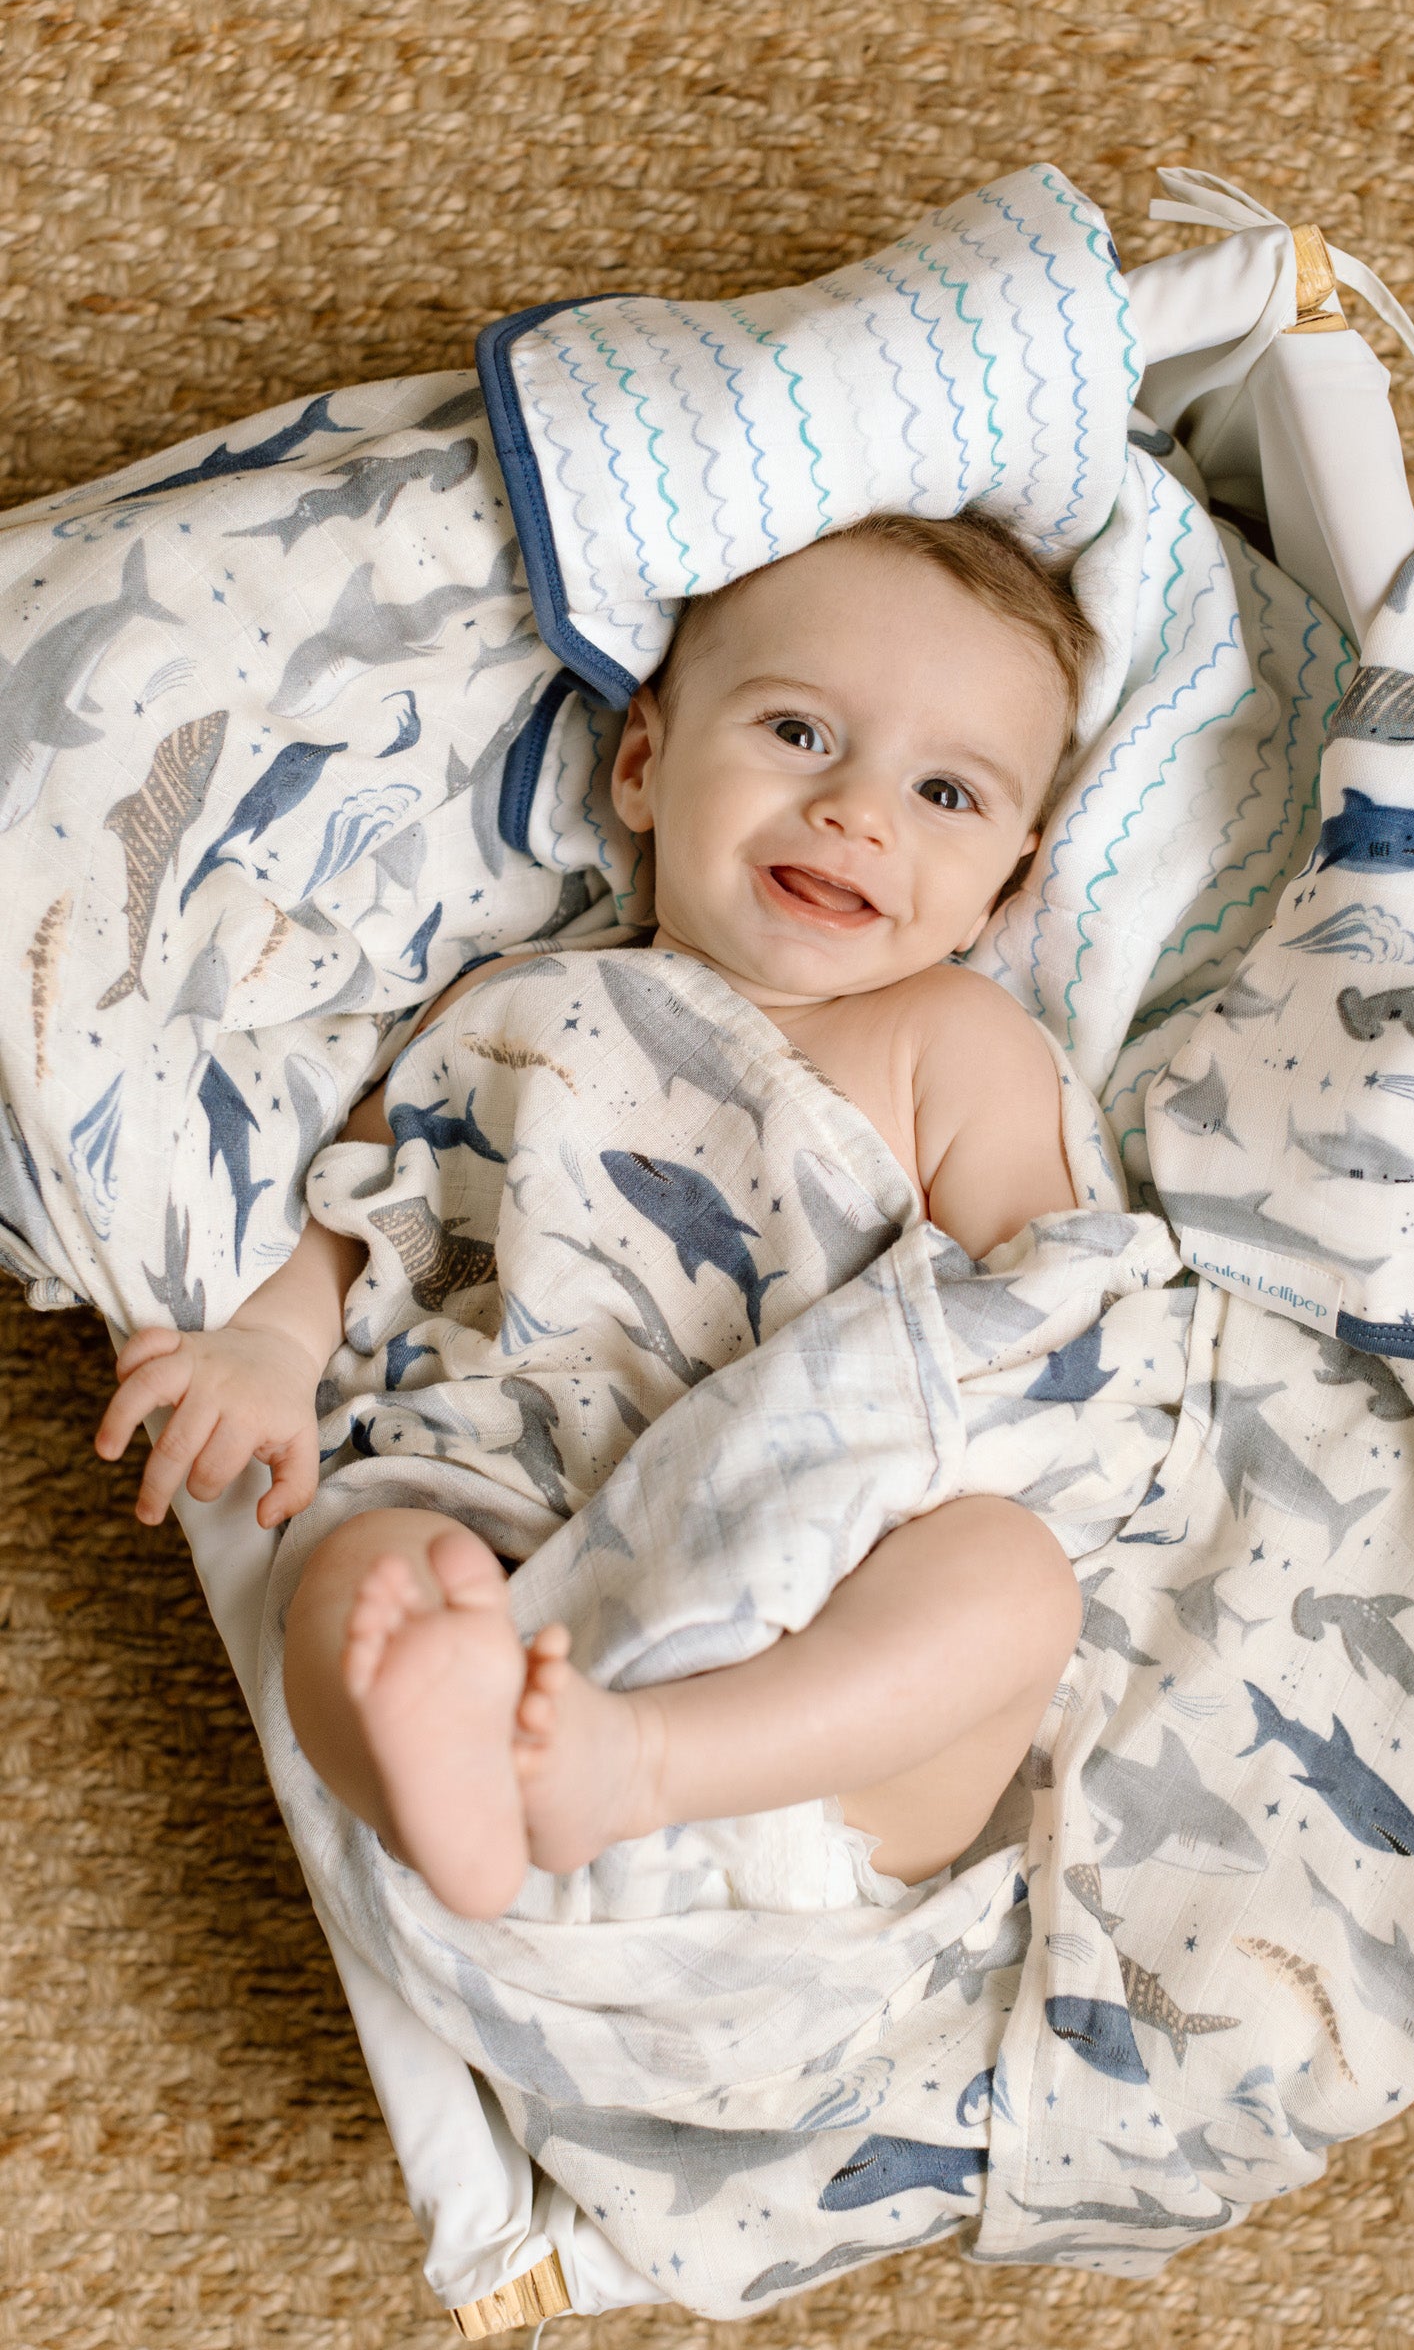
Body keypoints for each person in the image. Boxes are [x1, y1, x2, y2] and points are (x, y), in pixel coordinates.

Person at [97, 508, 1096, 1920]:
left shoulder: (955, 1040)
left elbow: (1050, 1325)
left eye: (945, 793)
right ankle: (446, 1786)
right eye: (800, 732)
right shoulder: (525, 1006)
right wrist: (273, 1342)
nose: (858, 811)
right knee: (359, 1575)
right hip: (513, 1559)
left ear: (1011, 879)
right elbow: (372, 1198)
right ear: (642, 765)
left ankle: (645, 1761)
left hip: (815, 1685)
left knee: (1012, 1577)